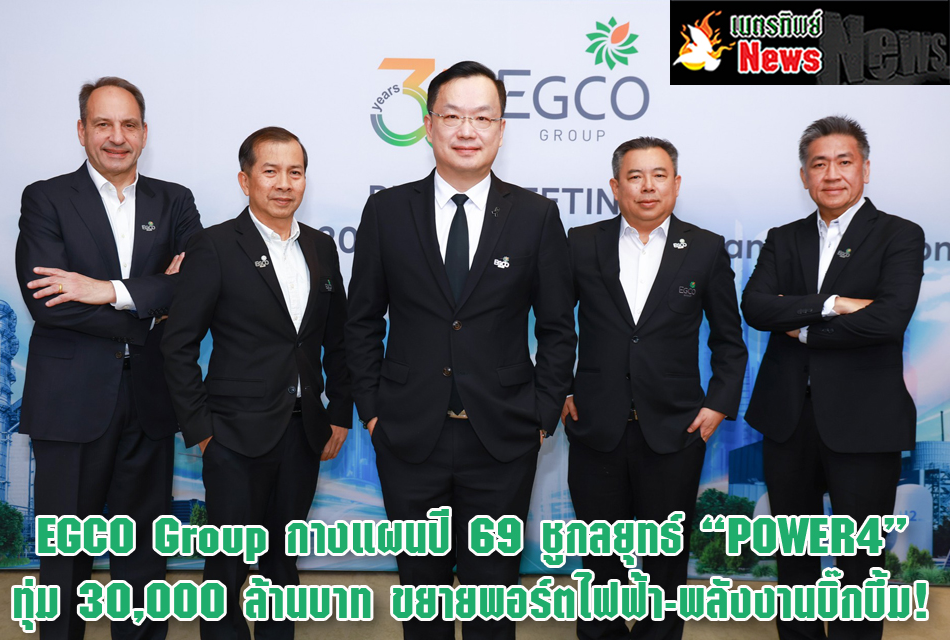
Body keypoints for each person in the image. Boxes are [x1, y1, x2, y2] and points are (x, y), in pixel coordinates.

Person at [345, 60, 576, 640]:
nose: (466, 131)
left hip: (503, 435)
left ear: (501, 129)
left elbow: (557, 329)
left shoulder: (536, 216)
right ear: (429, 125)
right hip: (407, 433)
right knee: (421, 595)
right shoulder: (387, 211)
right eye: (452, 116)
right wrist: (373, 411)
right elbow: (362, 320)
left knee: (491, 600)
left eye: (482, 118)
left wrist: (542, 416)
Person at [14, 76, 201, 640]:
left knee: (143, 562)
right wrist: (148, 302)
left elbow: (194, 287)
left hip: (149, 401)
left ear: (144, 133)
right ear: (81, 131)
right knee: (63, 565)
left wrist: (104, 290)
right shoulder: (46, 198)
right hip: (68, 405)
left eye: (128, 125)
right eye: (103, 124)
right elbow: (48, 304)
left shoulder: (175, 200)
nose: (117, 137)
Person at [161, 127, 352, 640]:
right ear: (246, 181)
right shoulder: (215, 245)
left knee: (282, 568)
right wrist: (203, 431)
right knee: (227, 569)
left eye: (295, 172)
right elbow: (178, 344)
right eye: (271, 171)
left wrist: (339, 412)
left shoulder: (321, 247)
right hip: (232, 437)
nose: (284, 183)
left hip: (303, 434)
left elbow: (338, 339)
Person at [742, 115, 925, 640]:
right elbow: (756, 306)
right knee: (794, 560)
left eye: (844, 162)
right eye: (819, 164)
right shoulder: (784, 238)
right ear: (804, 176)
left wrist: (803, 326)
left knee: (860, 566)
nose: (832, 174)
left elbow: (888, 320)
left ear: (865, 169)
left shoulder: (899, 234)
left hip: (865, 421)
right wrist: (836, 304)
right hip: (788, 419)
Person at [563, 137, 747, 640]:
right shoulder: (581, 242)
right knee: (600, 559)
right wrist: (558, 390)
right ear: (615, 186)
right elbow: (554, 325)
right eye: (636, 176)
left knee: (665, 562)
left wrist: (717, 405)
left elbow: (729, 340)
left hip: (675, 428)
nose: (648, 186)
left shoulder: (704, 247)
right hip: (595, 425)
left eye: (659, 175)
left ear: (676, 184)